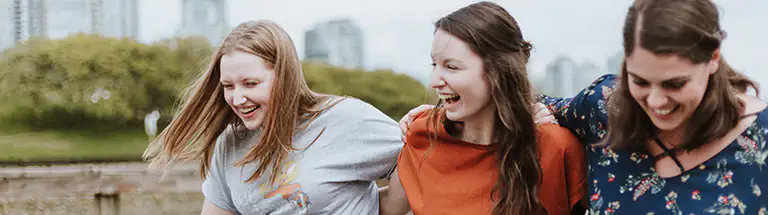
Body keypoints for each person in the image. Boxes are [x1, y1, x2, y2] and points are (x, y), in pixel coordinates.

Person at [401, 0, 768, 214]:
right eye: (639, 81)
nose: (655, 102)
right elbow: (515, 103)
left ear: (713, 59)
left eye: (675, 84)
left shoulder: (760, 140)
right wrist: (439, 107)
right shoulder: (602, 105)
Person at [143, 20, 403, 215]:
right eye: (229, 86)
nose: (237, 98)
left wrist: (378, 207)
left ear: (284, 78)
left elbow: (425, 164)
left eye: (251, 83)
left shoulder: (347, 119)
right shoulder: (230, 144)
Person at [379, 2, 587, 215]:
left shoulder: (557, 147)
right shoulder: (423, 134)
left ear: (499, 71)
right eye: (434, 65)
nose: (434, 81)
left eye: (451, 67)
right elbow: (384, 209)